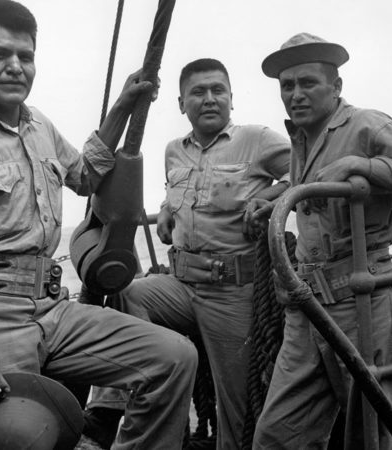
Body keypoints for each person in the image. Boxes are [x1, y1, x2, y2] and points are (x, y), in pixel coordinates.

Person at [0, 1, 198, 448]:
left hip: (52, 310)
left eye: (26, 56)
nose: (15, 67)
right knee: (18, 436)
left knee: (174, 357)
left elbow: (86, 175)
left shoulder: (39, 125)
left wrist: (122, 106)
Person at [250, 33, 392, 449]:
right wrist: (279, 196)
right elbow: (314, 193)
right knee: (276, 438)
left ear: (336, 86)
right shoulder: (301, 139)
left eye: (308, 83)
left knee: (373, 439)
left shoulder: (367, 125)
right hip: (306, 310)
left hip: (363, 306)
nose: (296, 95)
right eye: (288, 86)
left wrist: (364, 165)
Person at [85, 58, 291, 449]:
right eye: (198, 92)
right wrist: (165, 209)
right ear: (182, 104)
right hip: (182, 285)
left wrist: (269, 196)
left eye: (218, 90)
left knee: (238, 408)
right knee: (129, 293)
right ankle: (111, 405)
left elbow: (305, 171)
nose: (209, 99)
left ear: (232, 98)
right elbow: (182, 192)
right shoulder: (173, 151)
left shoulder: (257, 140)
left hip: (232, 291)